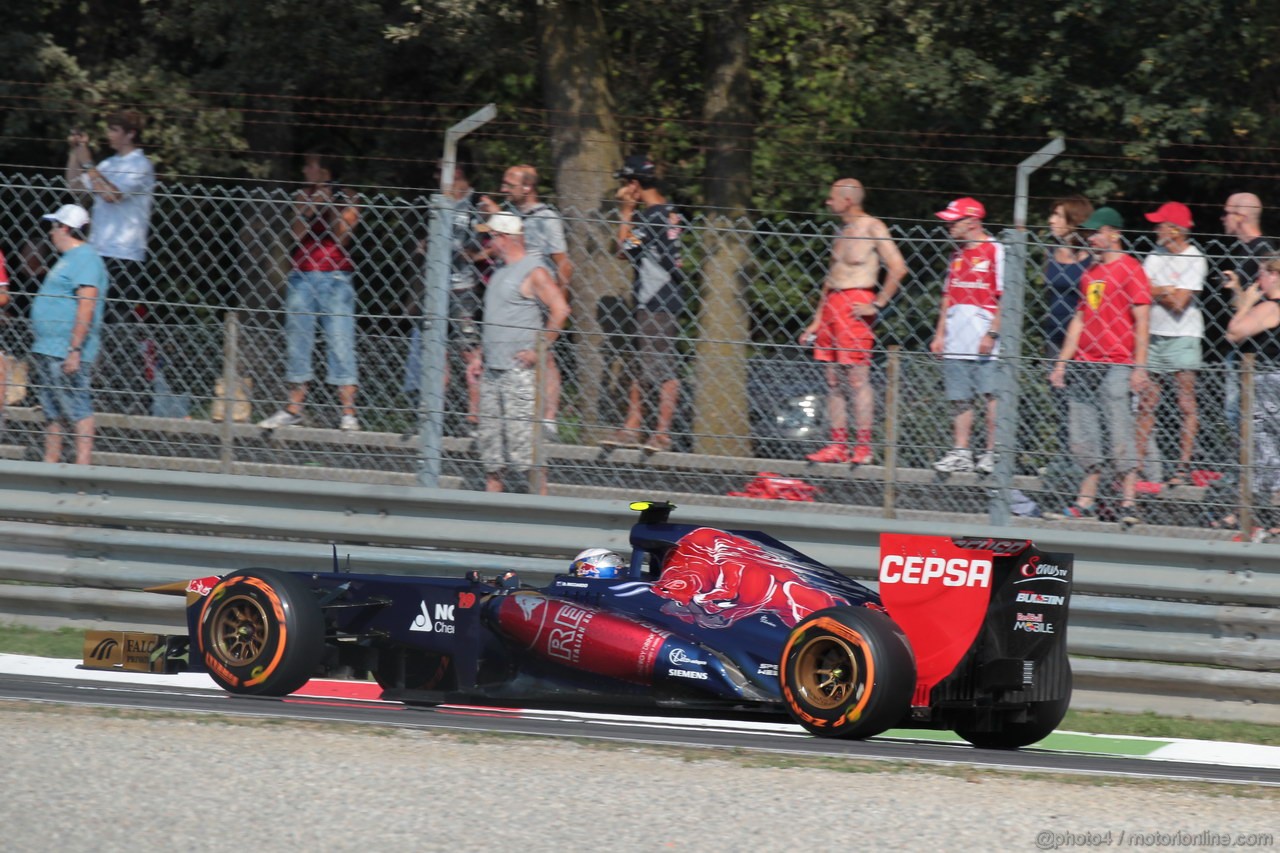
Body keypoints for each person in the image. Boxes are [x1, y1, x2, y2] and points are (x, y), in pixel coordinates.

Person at [1048, 206, 1152, 527]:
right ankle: (1086, 499)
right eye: (1090, 233)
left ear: (1114, 234)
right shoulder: (1090, 272)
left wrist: (1140, 366)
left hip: (1119, 361)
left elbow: (1143, 321)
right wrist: (1062, 363)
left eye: (1097, 232)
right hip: (1085, 361)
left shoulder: (1131, 269)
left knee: (1120, 427)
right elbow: (1079, 319)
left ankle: (1128, 501)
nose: (1091, 238)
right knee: (1083, 433)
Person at [801, 178, 907, 465]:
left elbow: (898, 267)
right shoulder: (841, 230)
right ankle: (837, 444)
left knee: (857, 378)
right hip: (833, 305)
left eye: (832, 197)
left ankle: (863, 446)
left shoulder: (873, 227)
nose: (828, 202)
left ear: (847, 200)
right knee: (833, 379)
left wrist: (878, 303)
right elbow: (830, 277)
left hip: (856, 304)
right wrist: (817, 319)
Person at [466, 213, 570, 493]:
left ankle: (540, 520)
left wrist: (540, 348)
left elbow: (560, 310)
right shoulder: (499, 273)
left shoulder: (533, 270)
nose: (487, 244)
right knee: (492, 460)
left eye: (490, 237)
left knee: (529, 459)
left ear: (504, 238)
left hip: (518, 375)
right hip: (493, 373)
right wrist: (479, 355)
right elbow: (494, 322)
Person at [259, 150, 362, 431]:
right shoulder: (303, 195)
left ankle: (348, 413)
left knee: (341, 341)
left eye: (311, 166)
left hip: (336, 277)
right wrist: (311, 206)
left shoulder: (350, 197)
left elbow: (343, 236)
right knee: (298, 341)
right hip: (302, 275)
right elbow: (296, 233)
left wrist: (331, 205)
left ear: (325, 170)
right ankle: (294, 408)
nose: (305, 171)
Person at [64, 110, 156, 414]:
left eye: (115, 129)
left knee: (118, 325)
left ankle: (130, 394)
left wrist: (89, 164)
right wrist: (78, 150)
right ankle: (95, 390)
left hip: (124, 255)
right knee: (90, 321)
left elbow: (111, 195)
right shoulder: (107, 164)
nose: (110, 134)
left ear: (130, 134)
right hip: (98, 250)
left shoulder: (139, 165)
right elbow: (76, 186)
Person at [481, 164, 573, 440]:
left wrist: (557, 297)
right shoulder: (508, 214)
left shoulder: (547, 218)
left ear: (528, 187)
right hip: (512, 289)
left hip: (538, 291)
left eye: (509, 184)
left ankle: (548, 418)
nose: (503, 188)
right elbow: (498, 244)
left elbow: (564, 263)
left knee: (545, 355)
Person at [608, 155, 688, 453]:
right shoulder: (669, 212)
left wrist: (626, 212)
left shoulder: (649, 217)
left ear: (634, 184)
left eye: (625, 184)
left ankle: (659, 432)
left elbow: (622, 250)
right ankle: (634, 424)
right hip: (661, 297)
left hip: (656, 299)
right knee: (643, 363)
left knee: (662, 367)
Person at [403, 160, 486, 426]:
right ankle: (433, 417)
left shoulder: (478, 203)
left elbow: (493, 241)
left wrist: (474, 253)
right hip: (435, 288)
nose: (436, 176)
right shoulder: (436, 203)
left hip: (464, 289)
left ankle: (474, 417)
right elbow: (423, 242)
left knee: (469, 351)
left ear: (458, 171)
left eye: (441, 171)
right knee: (436, 353)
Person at [29, 204, 109, 465]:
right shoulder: (68, 260)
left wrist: (74, 349)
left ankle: (81, 471)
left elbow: (87, 305)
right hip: (49, 348)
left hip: (66, 350)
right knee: (53, 411)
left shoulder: (86, 258)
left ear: (64, 228)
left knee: (77, 408)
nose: (51, 233)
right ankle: (51, 466)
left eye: (54, 227)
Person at [930, 197, 1004, 474]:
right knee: (959, 396)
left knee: (990, 394)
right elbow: (948, 295)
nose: (948, 226)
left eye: (954, 221)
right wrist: (940, 334)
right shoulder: (956, 253)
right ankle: (961, 451)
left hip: (985, 337)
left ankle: (993, 452)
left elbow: (1005, 295)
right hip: (956, 337)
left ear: (972, 221)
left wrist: (993, 332)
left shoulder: (996, 250)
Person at [1137, 202, 1207, 486]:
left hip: (1183, 336)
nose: (1156, 230)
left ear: (1175, 230)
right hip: (1154, 336)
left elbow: (1180, 304)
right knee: (1146, 403)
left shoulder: (1194, 258)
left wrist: (1158, 290)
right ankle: (1138, 464)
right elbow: (1140, 287)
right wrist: (1165, 290)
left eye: (1160, 225)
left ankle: (1183, 466)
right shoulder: (1155, 254)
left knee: (1185, 402)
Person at [1225, 257, 1280, 539]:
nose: (1259, 281)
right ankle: (1257, 517)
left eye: (1263, 274)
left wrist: (1246, 303)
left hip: (1267, 384)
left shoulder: (1272, 306)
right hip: (1270, 385)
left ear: (1274, 275)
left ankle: (1252, 518)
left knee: (1262, 451)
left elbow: (1234, 331)